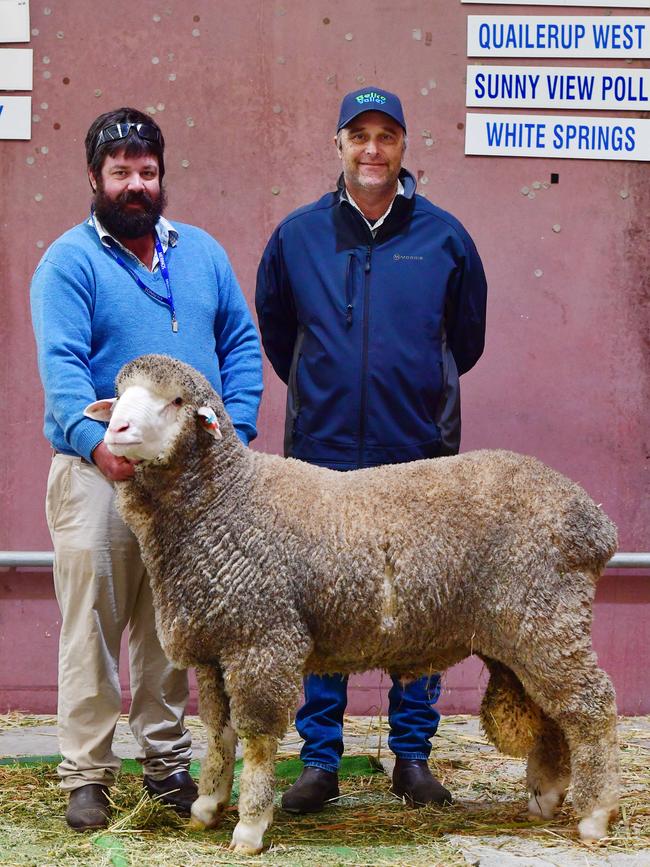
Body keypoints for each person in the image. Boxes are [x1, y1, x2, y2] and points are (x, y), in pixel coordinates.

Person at [256, 86, 487, 813]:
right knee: (319, 610)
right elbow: (278, 332)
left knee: (419, 607)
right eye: (359, 135)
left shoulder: (446, 238)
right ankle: (320, 760)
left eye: (386, 135)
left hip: (416, 454)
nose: (372, 149)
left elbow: (466, 341)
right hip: (321, 456)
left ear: (404, 146)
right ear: (339, 145)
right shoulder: (297, 237)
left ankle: (411, 756)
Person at [30, 107, 263, 831]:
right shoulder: (69, 260)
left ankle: (165, 763)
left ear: (163, 176)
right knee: (91, 626)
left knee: (174, 631)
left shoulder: (202, 255)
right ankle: (87, 773)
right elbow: (63, 365)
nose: (136, 184)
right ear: (95, 177)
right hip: (98, 475)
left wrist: (237, 433)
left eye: (148, 171)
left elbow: (242, 343)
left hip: (185, 487)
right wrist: (94, 441)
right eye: (121, 171)